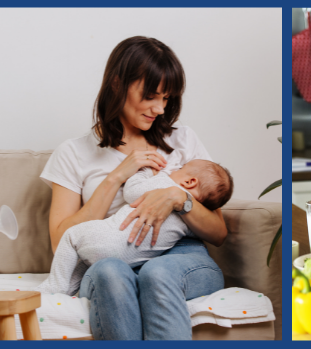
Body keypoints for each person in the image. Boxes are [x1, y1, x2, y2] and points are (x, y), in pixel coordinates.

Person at [39, 36, 227, 340]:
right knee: (111, 273)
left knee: (157, 273)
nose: (160, 109)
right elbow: (61, 242)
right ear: (117, 84)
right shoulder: (73, 153)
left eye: (166, 98)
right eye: (151, 95)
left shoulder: (183, 141)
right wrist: (115, 178)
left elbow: (218, 232)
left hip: (180, 256)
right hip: (110, 259)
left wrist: (178, 197)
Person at [37, 160, 234, 295]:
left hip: (112, 240)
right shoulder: (190, 222)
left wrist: (145, 172)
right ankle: (67, 289)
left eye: (181, 167)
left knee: (72, 236)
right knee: (85, 256)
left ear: (190, 182)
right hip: (131, 259)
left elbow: (132, 193)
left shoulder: (165, 183)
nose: (175, 169)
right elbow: (208, 230)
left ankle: (55, 286)